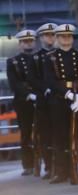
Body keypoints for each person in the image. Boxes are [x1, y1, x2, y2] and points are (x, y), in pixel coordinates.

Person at [43, 24, 78, 184]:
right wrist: (66, 93)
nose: (66, 39)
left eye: (68, 36)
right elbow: (50, 79)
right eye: (62, 36)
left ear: (72, 38)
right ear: (57, 38)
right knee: (60, 137)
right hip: (59, 100)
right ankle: (62, 172)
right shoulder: (50, 57)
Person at [29, 23, 58, 178]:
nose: (50, 38)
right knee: (46, 135)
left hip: (60, 100)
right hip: (44, 101)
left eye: (53, 35)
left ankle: (63, 165)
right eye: (47, 35)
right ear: (41, 38)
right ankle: (49, 166)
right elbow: (32, 78)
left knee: (60, 134)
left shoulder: (60, 54)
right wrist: (45, 88)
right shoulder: (35, 58)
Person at [8, 29, 38, 176]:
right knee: (26, 134)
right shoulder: (12, 61)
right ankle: (28, 165)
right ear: (20, 44)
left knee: (44, 132)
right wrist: (28, 95)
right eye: (25, 41)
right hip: (23, 101)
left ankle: (45, 162)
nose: (28, 44)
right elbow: (14, 83)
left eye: (31, 41)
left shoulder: (41, 58)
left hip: (40, 99)